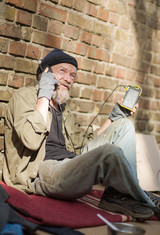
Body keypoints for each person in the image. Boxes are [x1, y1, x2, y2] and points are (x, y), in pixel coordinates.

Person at [2, 49, 160, 219]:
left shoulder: (64, 109)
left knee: (124, 125)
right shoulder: (24, 97)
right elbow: (31, 140)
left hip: (70, 164)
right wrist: (44, 93)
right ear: (45, 72)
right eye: (62, 71)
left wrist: (114, 117)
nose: (69, 79)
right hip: (43, 171)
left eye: (73, 76)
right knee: (110, 152)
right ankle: (142, 198)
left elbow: (84, 146)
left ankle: (122, 194)